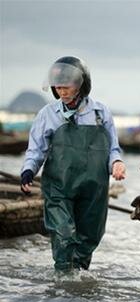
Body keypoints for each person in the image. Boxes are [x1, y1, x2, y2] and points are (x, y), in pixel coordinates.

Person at [20, 56, 126, 272]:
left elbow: (114, 148)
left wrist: (116, 163)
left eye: (66, 85)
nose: (62, 90)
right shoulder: (47, 114)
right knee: (64, 233)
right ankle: (62, 283)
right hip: (60, 186)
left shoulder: (100, 113)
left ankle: (78, 289)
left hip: (93, 188)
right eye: (57, 86)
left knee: (90, 238)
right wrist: (28, 170)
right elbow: (36, 149)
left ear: (81, 84)